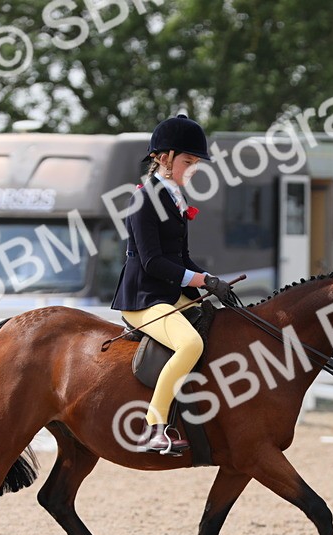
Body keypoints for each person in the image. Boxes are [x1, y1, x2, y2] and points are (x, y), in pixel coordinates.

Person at [111, 114, 238, 455]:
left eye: (195, 163)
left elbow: (182, 258)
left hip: (170, 292)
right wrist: (201, 279)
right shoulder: (142, 201)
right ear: (163, 158)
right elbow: (153, 261)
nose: (193, 169)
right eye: (188, 161)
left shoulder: (174, 200)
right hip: (143, 297)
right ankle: (154, 427)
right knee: (190, 345)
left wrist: (213, 283)